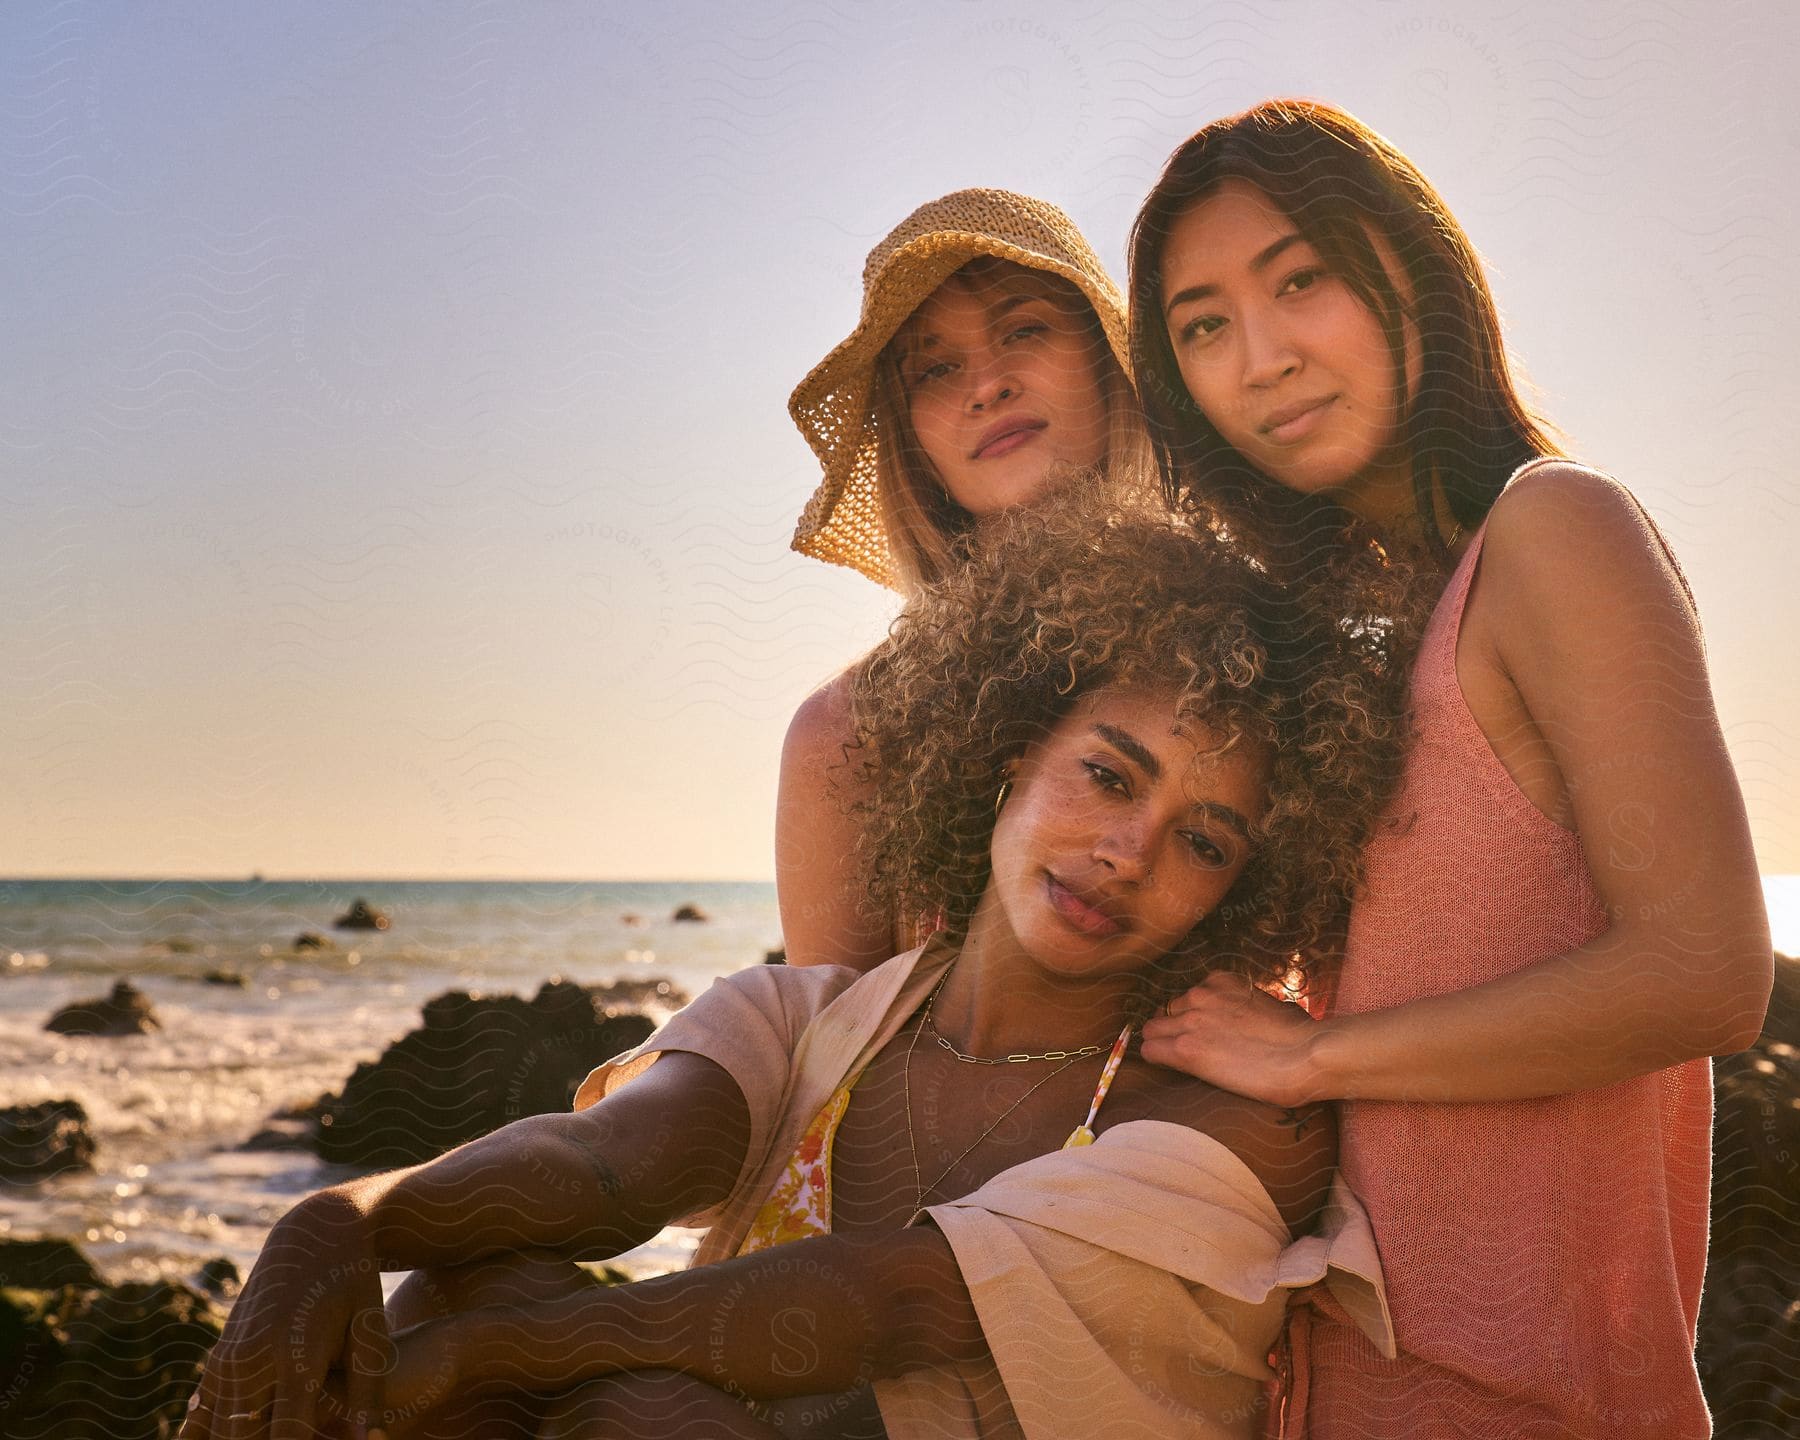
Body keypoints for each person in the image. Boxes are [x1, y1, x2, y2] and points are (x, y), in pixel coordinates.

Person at [179, 491, 1400, 1440]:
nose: (1128, 852)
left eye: (1203, 840)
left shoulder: (1225, 1126)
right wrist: (333, 1223)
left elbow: (886, 1301)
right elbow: (604, 1163)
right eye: (1109, 773)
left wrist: (494, 1362)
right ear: (1009, 751)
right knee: (471, 1278)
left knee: (632, 1407)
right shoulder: (812, 1023)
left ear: (1246, 887)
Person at [1126, 98, 1773, 1438]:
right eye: (1202, 325)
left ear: (1411, 268)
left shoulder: (1556, 529)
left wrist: (1316, 1061)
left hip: (1531, 1402)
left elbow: (1707, 971)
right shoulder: (1353, 636)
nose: (1262, 358)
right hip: (1331, 1382)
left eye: (1300, 278)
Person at [779, 188, 1153, 973]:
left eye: (1024, 329)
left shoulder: (1247, 651)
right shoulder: (851, 734)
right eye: (937, 368)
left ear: (1105, 360)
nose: (987, 386)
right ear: (912, 440)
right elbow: (826, 1057)